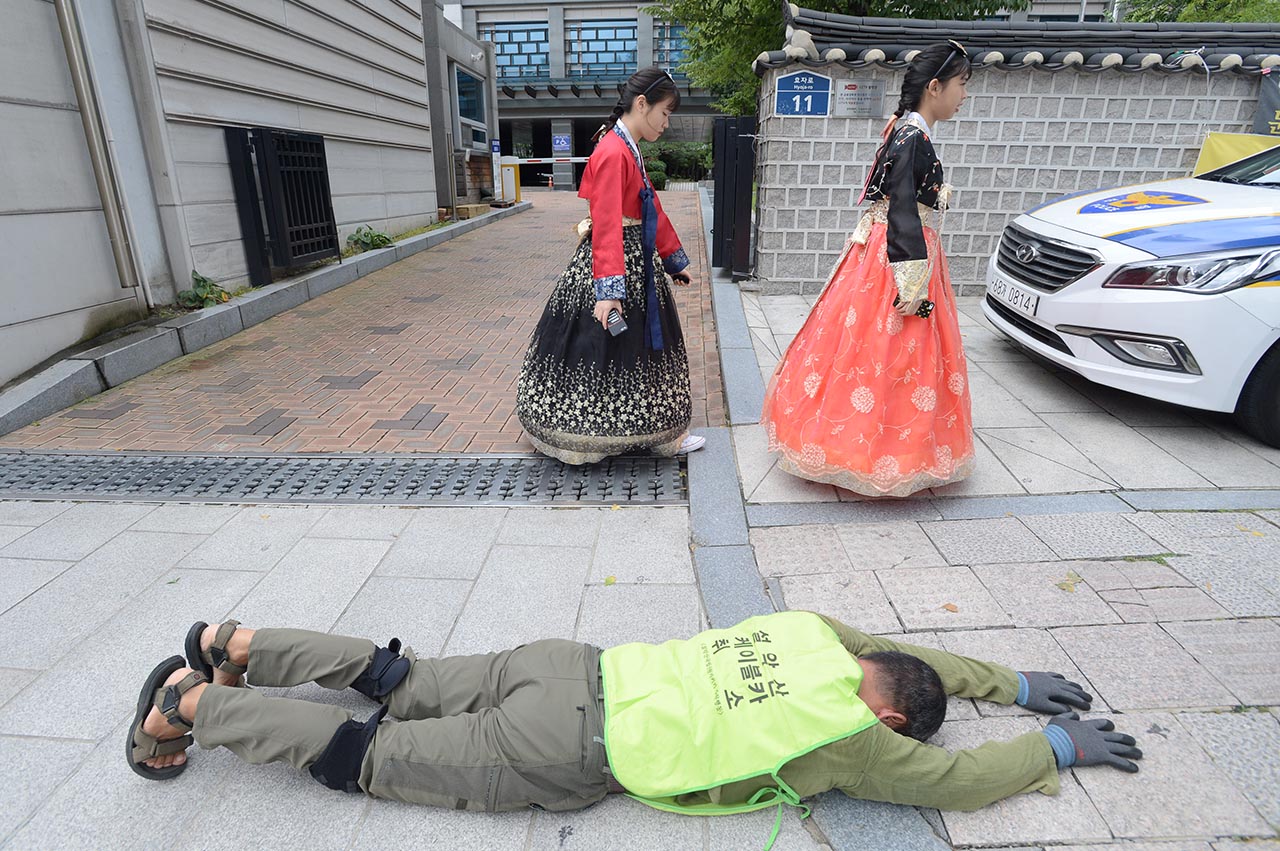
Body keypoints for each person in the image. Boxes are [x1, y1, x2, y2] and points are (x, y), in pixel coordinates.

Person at [129, 612, 1140, 850]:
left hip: (568, 660)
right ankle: (192, 706)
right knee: (375, 756)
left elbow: (909, 655)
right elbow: (952, 782)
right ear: (885, 712)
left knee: (404, 677)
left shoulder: (817, 634)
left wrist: (1006, 677)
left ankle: (235, 640)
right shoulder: (854, 734)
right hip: (564, 747)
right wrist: (1047, 746)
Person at [761, 41, 977, 497]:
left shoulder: (899, 128)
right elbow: (901, 208)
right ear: (935, 87)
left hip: (877, 251)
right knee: (896, 345)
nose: (963, 96)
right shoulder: (913, 136)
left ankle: (859, 438)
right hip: (898, 254)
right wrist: (912, 282)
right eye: (961, 85)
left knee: (864, 347)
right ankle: (878, 449)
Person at [516, 67, 705, 465]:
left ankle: (646, 431)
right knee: (608, 346)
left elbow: (649, 205)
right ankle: (597, 435)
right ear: (642, 104)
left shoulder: (625, 147)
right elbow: (606, 225)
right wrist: (609, 294)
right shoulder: (613, 151)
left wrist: (673, 260)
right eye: (665, 113)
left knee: (625, 350)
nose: (667, 123)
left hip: (633, 260)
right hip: (616, 262)